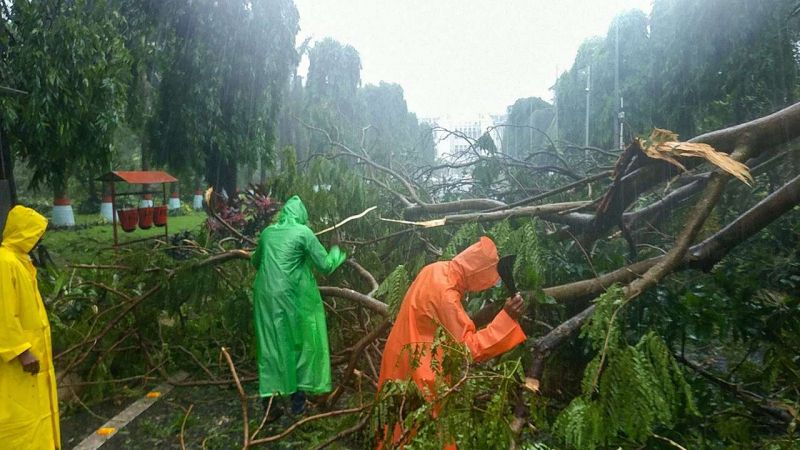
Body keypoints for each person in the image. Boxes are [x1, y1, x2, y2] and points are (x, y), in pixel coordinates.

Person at [377, 236, 526, 448]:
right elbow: (468, 348)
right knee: (428, 433)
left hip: (398, 354)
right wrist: (507, 318)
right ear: (480, 274)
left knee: (393, 423)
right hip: (422, 367)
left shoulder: (435, 269)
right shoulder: (447, 295)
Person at [251, 195, 346, 420]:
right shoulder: (304, 233)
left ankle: (269, 404)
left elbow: (255, 262)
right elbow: (325, 266)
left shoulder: (267, 233)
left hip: (264, 298)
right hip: (292, 297)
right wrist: (336, 249)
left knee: (271, 345)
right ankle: (298, 403)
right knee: (300, 342)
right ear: (301, 215)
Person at [0, 205, 60, 449]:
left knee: (36, 414)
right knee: (20, 420)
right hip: (17, 361)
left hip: (33, 356)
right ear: (24, 233)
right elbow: (3, 311)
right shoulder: (5, 263)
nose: (38, 242)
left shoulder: (20, 262)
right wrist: (21, 351)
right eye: (36, 235)